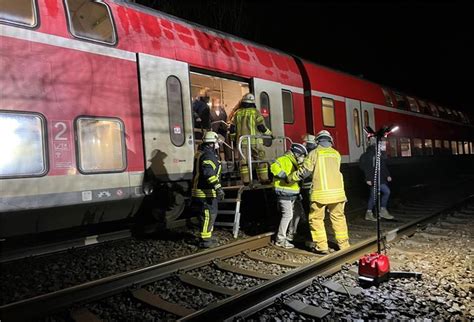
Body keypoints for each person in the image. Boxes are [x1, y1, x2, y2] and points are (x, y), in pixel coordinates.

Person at [288, 130, 350, 254]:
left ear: (317, 141)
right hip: (338, 193)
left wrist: (291, 177)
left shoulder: (314, 153)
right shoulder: (336, 154)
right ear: (330, 141)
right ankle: (344, 245)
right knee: (339, 219)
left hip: (321, 194)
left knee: (316, 219)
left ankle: (322, 246)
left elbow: (305, 172)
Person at [191, 131, 225, 248]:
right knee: (208, 216)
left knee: (209, 215)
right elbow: (208, 174)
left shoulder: (201, 153)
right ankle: (205, 240)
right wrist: (218, 187)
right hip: (205, 192)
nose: (218, 144)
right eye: (216, 142)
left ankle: (207, 236)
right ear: (211, 143)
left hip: (202, 191)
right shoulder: (208, 155)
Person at [270, 143, 308, 249]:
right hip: (284, 193)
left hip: (293, 194)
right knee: (288, 216)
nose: (303, 158)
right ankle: (280, 240)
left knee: (297, 213)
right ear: (296, 154)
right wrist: (284, 176)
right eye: (302, 155)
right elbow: (273, 167)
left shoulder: (296, 163)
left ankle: (290, 236)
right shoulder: (283, 159)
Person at [230, 93, 272, 185]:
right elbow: (261, 127)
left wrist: (233, 138)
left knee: (244, 162)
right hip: (256, 141)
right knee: (261, 159)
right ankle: (264, 179)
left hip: (242, 142)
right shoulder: (255, 112)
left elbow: (232, 128)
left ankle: (246, 181)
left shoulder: (237, 113)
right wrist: (270, 134)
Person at [359, 139, 394, 221]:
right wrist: (368, 179)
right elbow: (366, 168)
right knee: (377, 195)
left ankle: (379, 210)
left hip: (380, 179)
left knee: (380, 194)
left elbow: (383, 166)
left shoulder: (378, 155)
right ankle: (373, 212)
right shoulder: (370, 155)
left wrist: (388, 175)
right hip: (374, 179)